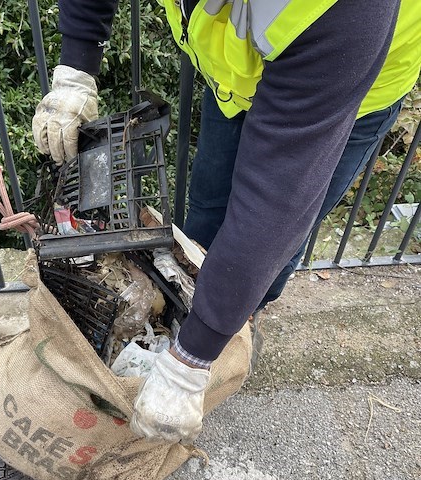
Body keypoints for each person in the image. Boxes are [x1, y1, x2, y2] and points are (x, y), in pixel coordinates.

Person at [33, 0, 421, 444]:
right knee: (208, 208)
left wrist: (192, 360)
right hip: (237, 76)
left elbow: (276, 202)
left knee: (277, 238)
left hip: (347, 85)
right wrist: (76, 67)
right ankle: (192, 311)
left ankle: (237, 324)